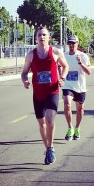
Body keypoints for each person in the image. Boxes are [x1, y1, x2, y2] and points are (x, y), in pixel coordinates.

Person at [21, 26, 69, 165]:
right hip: (38, 94)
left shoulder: (56, 52)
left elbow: (65, 66)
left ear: (49, 37)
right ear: (36, 38)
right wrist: (25, 80)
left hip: (52, 91)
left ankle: (51, 147)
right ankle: (47, 148)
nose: (41, 37)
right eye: (39, 35)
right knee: (42, 124)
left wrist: (63, 78)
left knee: (49, 120)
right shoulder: (31, 55)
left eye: (44, 35)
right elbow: (24, 72)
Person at [62, 35, 91, 141]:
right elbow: (59, 66)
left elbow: (89, 72)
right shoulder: (64, 56)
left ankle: (77, 128)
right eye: (69, 43)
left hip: (80, 87)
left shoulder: (83, 56)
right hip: (68, 85)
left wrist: (80, 63)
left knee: (80, 109)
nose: (71, 45)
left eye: (73, 43)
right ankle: (70, 128)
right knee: (67, 103)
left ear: (77, 44)